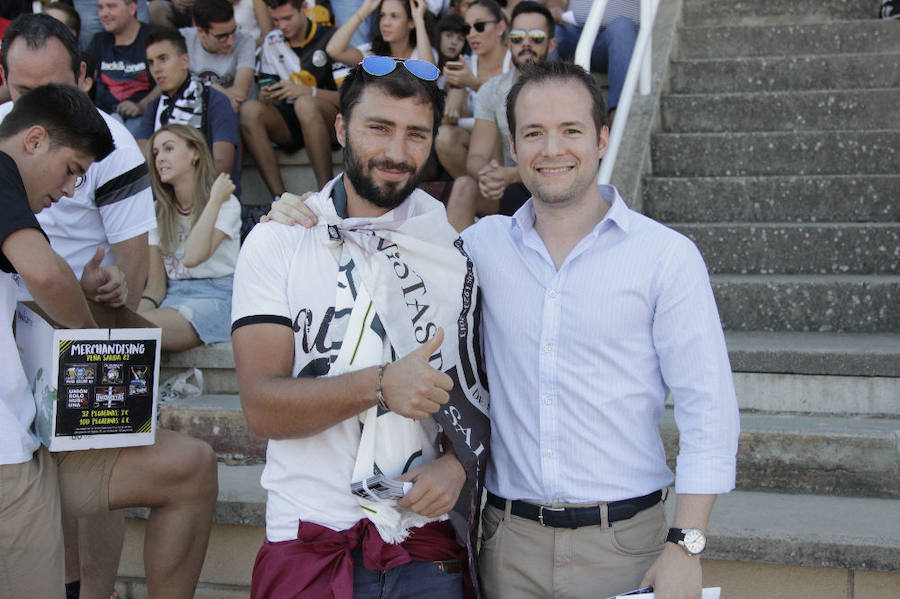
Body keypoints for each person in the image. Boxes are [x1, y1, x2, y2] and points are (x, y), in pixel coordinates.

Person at [269, 59, 741, 599]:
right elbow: (380, 238)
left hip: (627, 544)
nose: (553, 149)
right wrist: (300, 215)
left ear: (603, 137)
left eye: (571, 131)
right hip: (507, 544)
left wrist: (686, 544)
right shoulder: (475, 248)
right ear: (513, 147)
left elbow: (710, 409)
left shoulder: (666, 257)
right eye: (535, 133)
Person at [231, 56, 489, 598]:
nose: (397, 153)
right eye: (379, 128)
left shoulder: (453, 252)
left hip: (422, 541)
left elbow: (481, 392)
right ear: (341, 128)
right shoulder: (280, 240)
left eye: (416, 134)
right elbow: (261, 406)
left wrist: (455, 467)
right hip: (310, 535)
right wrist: (379, 385)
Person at [0, 82, 218, 599]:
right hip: (7, 461)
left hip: (27, 440)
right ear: (34, 141)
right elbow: (45, 278)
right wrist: (90, 341)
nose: (72, 190)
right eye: (72, 168)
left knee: (189, 467)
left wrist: (83, 288)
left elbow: (37, 286)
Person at [0, 15, 158, 596]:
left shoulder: (112, 145)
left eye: (54, 89)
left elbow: (132, 268)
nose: (69, 190)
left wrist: (105, 301)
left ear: (84, 77)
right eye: (23, 91)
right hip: (32, 327)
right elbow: (41, 270)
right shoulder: (7, 151)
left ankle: (92, 590)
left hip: (73, 323)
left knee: (94, 475)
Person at [444, 0, 555, 231]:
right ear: (509, 41)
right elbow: (476, 156)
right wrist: (488, 176)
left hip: (552, 183)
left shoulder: (565, 89)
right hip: (508, 185)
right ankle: (455, 266)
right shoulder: (492, 90)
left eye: (536, 37)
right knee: (465, 185)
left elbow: (558, 159)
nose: (526, 44)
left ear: (551, 44)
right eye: (517, 38)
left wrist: (511, 175)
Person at [138, 124, 240, 351]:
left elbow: (193, 257)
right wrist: (128, 320)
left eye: (168, 149)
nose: (160, 159)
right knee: (122, 329)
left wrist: (213, 200)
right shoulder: (157, 211)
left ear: (195, 153)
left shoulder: (225, 204)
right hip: (173, 297)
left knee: (139, 333)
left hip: (218, 297)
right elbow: (155, 286)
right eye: (155, 153)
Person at [240, 0, 343, 199]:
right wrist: (266, 95)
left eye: (287, 18)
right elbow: (265, 88)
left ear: (304, 8)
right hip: (288, 119)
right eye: (276, 20)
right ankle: (279, 197)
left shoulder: (330, 37)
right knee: (250, 110)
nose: (282, 25)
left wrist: (306, 91)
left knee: (305, 105)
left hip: (328, 118)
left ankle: (325, 195)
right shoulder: (272, 40)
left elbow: (348, 99)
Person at [137, 28, 242, 199]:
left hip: (213, 200)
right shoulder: (154, 107)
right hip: (166, 202)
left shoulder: (215, 100)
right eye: (151, 62)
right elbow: (145, 156)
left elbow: (222, 164)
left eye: (163, 59)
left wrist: (188, 200)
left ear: (185, 60)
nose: (156, 69)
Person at [434, 0, 508, 180]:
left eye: (480, 26)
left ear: (500, 27)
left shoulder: (515, 60)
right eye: (467, 29)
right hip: (480, 156)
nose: (472, 34)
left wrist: (473, 84)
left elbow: (512, 111)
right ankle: (481, 190)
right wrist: (452, 108)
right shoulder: (465, 63)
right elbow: (456, 95)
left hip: (511, 149)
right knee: (444, 137)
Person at [544, 0, 639, 122]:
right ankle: (546, 107)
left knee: (621, 27)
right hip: (574, 30)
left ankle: (618, 118)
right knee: (549, 30)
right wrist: (556, 7)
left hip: (616, 37)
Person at [86, 0, 161, 136]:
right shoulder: (98, 41)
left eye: (111, 6)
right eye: (100, 8)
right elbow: (84, 82)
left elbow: (168, 81)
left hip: (146, 117)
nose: (104, 14)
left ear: (132, 8)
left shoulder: (155, 37)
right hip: (105, 119)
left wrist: (141, 106)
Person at [181, 0, 256, 112]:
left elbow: (240, 95)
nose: (231, 41)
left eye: (233, 31)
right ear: (201, 31)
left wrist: (200, 90)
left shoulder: (245, 40)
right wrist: (212, 88)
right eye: (222, 37)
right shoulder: (182, 39)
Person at [324, 0, 436, 66]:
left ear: (411, 23)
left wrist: (419, 20)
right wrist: (364, 10)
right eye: (382, 16)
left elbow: (428, 72)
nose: (385, 23)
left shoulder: (422, 54)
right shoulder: (372, 54)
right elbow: (333, 50)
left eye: (394, 16)